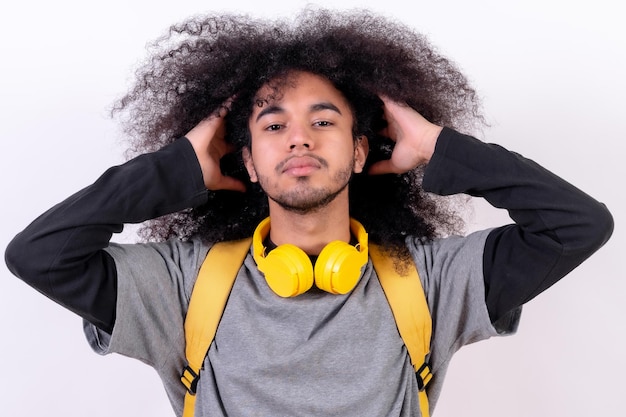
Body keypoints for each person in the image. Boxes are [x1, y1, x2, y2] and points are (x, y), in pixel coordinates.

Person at [4, 7, 613, 417]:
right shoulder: (181, 286)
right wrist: (176, 167)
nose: (299, 139)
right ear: (245, 159)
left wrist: (437, 149)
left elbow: (578, 224)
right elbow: (37, 255)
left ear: (358, 152)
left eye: (324, 121)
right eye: (274, 124)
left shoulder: (430, 280)